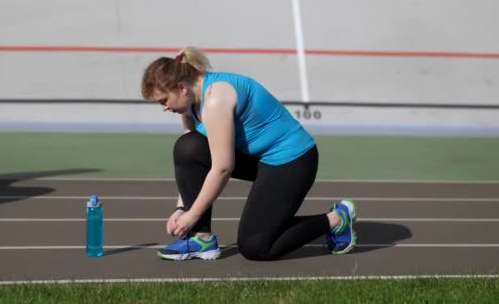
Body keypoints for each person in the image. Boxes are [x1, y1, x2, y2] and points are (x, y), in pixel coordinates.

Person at [140, 46, 357, 261]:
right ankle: (201, 239)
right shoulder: (189, 104)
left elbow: (223, 167)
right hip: (256, 157)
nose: (164, 108)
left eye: (163, 100)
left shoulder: (215, 98)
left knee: (256, 247)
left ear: (181, 87)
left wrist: (192, 215)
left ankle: (336, 219)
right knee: (188, 146)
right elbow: (191, 161)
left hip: (292, 160)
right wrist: (182, 208)